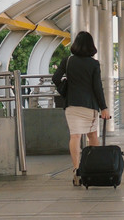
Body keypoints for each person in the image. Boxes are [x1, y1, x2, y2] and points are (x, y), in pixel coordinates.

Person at [52, 31, 110, 186]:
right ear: (91, 46)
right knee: (92, 136)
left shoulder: (67, 61)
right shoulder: (93, 64)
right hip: (89, 106)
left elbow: (55, 78)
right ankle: (92, 168)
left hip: (72, 104)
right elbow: (97, 87)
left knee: (75, 136)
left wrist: (65, 87)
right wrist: (103, 108)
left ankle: (77, 169)